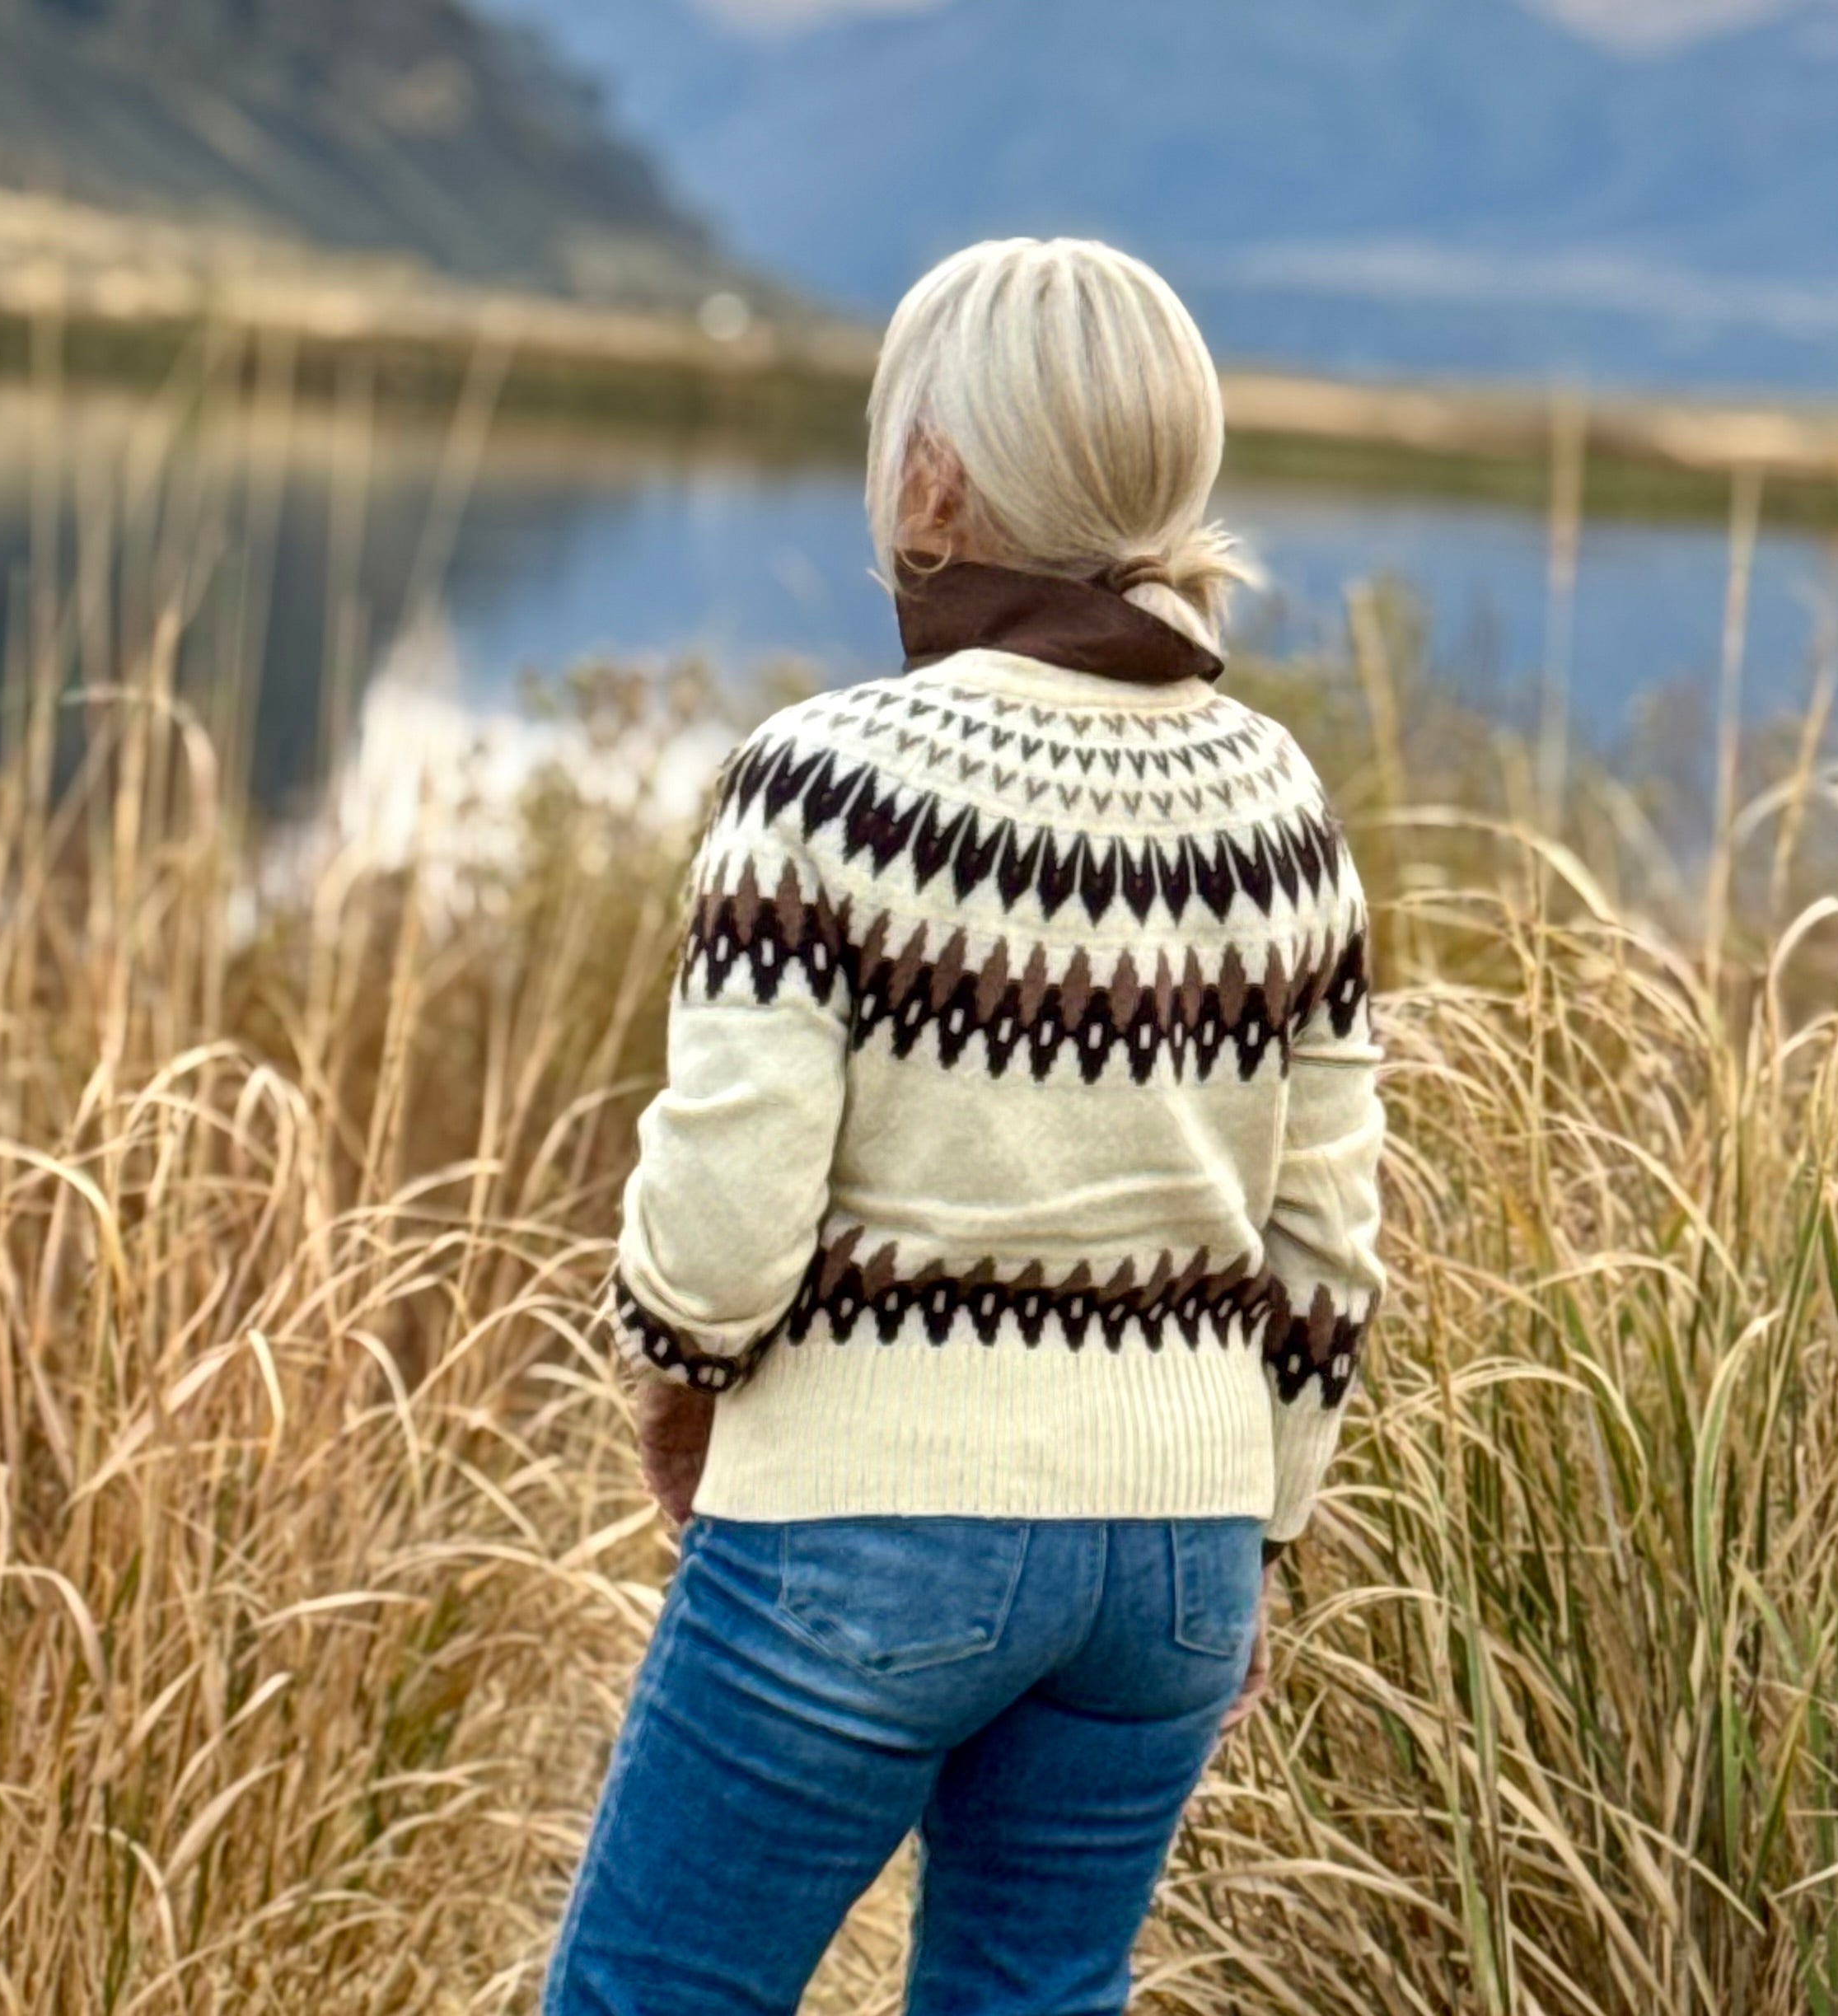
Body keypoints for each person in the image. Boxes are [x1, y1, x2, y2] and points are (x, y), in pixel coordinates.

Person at [544, 236, 1387, 2016]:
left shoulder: (826, 782)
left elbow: (723, 1226)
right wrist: (1252, 1539)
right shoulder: (1284, 809)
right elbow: (1327, 1248)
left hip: (867, 1514)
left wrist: (680, 1386)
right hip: (1171, 1562)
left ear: (931, 480)